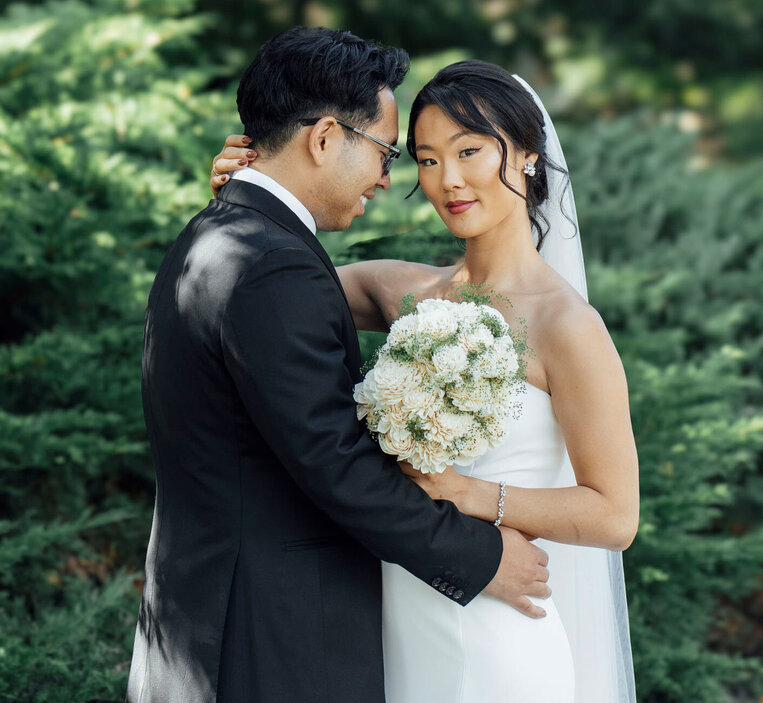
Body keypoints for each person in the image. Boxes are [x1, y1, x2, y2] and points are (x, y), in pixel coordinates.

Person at [127, 30, 552, 703]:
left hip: (210, 621)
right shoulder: (270, 264)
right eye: (388, 153)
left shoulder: (220, 236)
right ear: (325, 138)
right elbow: (335, 461)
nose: (391, 179)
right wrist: (480, 557)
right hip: (269, 640)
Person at [212, 59, 640, 702]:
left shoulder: (568, 327)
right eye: (427, 159)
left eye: (469, 151)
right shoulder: (400, 289)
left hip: (495, 625)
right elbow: (272, 285)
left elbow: (614, 515)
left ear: (527, 155)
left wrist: (471, 494)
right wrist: (246, 195)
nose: (449, 180)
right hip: (387, 622)